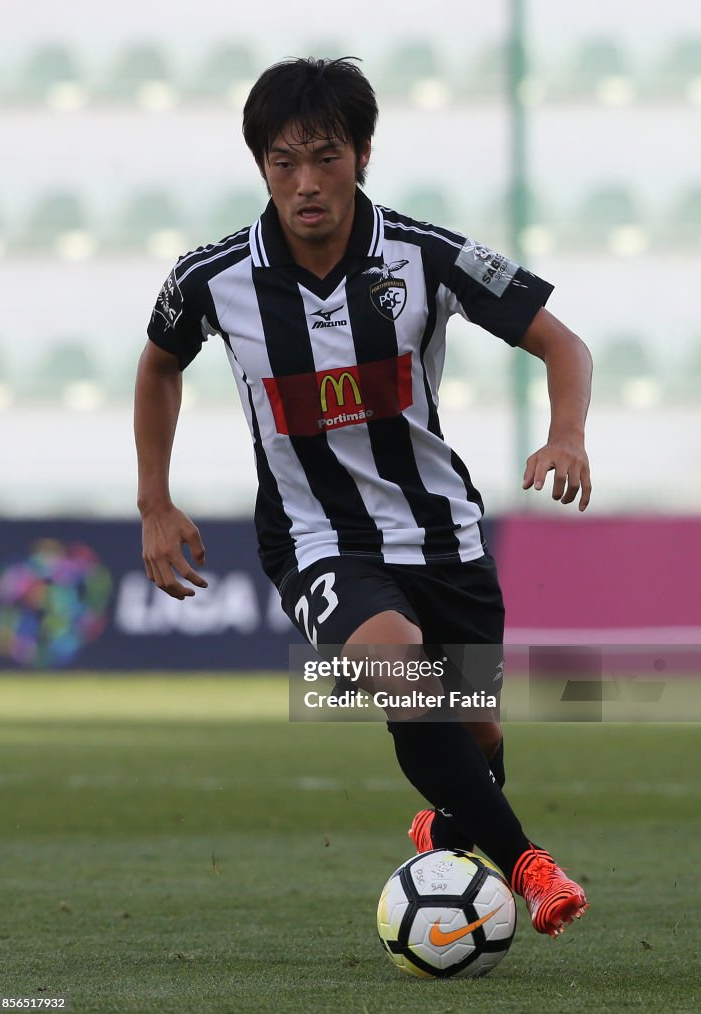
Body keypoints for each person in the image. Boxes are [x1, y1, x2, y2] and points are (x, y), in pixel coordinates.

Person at [135, 57, 592, 938]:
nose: (306, 185)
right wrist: (155, 499)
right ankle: (530, 866)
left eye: (326, 158)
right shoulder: (212, 278)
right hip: (315, 537)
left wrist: (566, 433)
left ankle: (447, 832)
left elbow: (561, 342)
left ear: (364, 154)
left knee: (477, 736)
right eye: (283, 163)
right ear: (260, 167)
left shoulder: (426, 256)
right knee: (400, 669)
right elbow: (159, 363)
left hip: (443, 533)